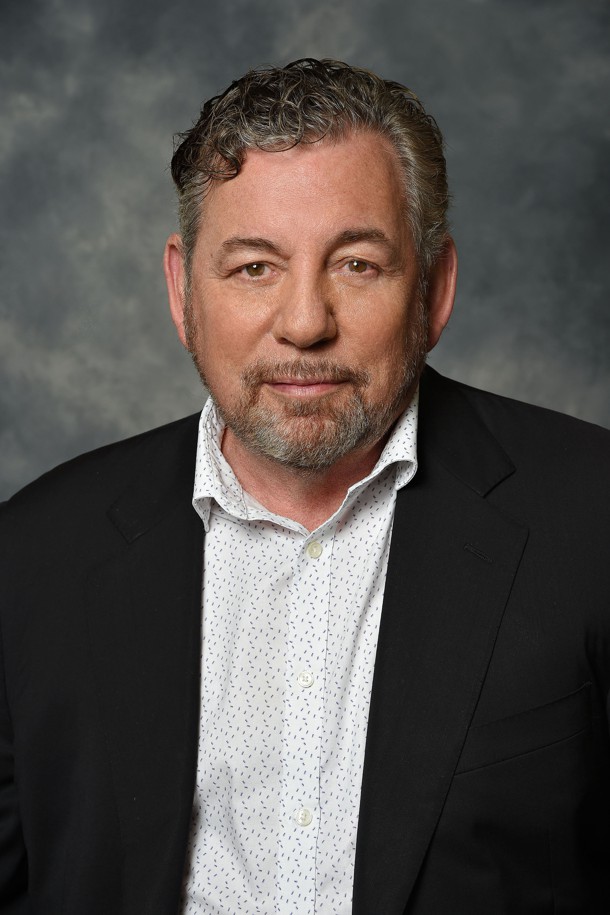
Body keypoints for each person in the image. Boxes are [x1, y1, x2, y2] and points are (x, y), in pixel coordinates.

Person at [0, 58, 609, 915]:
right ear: (182, 290)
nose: (304, 323)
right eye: (255, 267)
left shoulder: (592, 520)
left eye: (356, 264)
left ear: (433, 290)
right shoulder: (30, 557)